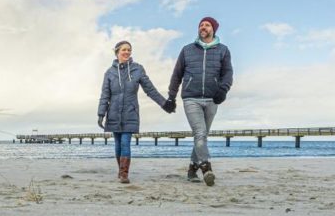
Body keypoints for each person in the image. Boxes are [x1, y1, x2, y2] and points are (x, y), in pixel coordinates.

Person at [164, 16, 233, 186]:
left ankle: (191, 170)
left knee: (201, 137)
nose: (203, 27)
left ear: (213, 29)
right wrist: (171, 97)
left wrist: (223, 90)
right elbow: (177, 74)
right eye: (201, 25)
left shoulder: (223, 50)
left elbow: (228, 74)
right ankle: (207, 169)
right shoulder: (187, 50)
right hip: (191, 98)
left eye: (207, 25)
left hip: (212, 98)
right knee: (200, 134)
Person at [97, 41, 168, 184]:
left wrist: (164, 103)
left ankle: (124, 174)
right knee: (117, 143)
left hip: (131, 112)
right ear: (117, 52)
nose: (127, 52)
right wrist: (101, 113)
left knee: (125, 142)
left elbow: (150, 89)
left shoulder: (138, 69)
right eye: (124, 50)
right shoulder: (109, 72)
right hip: (114, 113)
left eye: (129, 50)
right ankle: (120, 170)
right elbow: (105, 94)